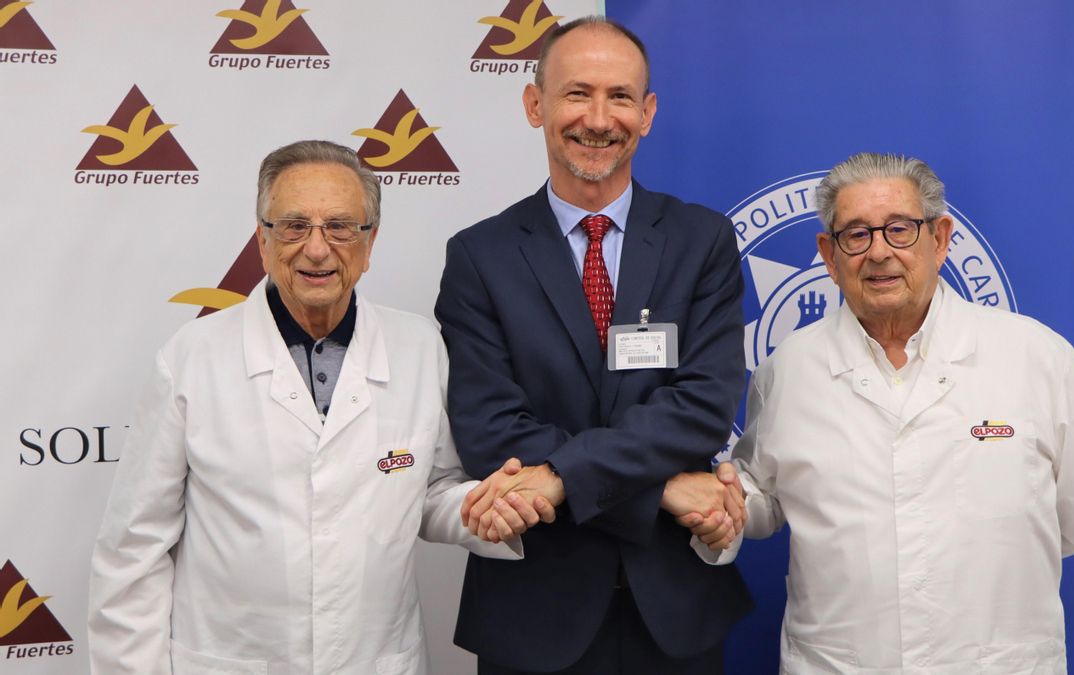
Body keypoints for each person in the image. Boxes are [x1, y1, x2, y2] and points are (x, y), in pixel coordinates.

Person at [88, 140, 552, 674]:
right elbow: (133, 550)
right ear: (262, 240)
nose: (316, 249)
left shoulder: (420, 347)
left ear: (369, 242)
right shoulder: (192, 359)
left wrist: (481, 510)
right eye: (292, 226)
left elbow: (432, 490)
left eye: (339, 227)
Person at [707, 152, 1074, 673]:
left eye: (899, 229)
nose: (879, 253)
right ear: (829, 254)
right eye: (856, 234)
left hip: (996, 660)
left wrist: (1005, 548)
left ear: (940, 239)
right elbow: (764, 499)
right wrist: (725, 508)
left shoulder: (1034, 355)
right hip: (838, 662)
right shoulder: (790, 368)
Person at [434, 16, 751, 675]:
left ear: (648, 112)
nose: (598, 119)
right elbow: (490, 431)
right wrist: (660, 489)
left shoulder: (703, 242)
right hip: (531, 617)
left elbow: (701, 408)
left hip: (677, 615)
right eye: (577, 93)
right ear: (535, 104)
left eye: (620, 97)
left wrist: (556, 477)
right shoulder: (479, 256)